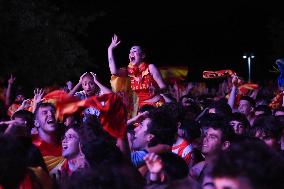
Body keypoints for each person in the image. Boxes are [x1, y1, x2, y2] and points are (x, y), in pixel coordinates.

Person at [108, 34, 169, 108]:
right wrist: (110, 49)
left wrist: (157, 90)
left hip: (158, 104)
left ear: (142, 55)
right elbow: (114, 71)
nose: (131, 53)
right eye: (130, 52)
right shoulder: (129, 72)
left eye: (134, 51)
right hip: (143, 107)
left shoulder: (150, 67)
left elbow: (165, 88)